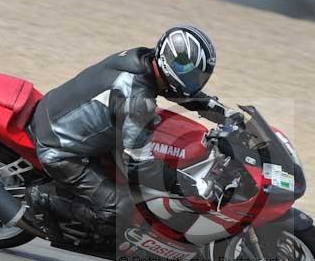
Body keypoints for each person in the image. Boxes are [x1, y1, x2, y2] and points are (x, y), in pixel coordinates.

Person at [27, 25, 243, 239]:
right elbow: (140, 167)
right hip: (60, 149)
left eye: (198, 76)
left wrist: (226, 114)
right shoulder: (137, 100)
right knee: (121, 212)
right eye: (190, 75)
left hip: (59, 115)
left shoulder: (145, 59)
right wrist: (191, 184)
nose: (194, 81)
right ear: (171, 65)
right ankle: (43, 198)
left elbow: (181, 92)